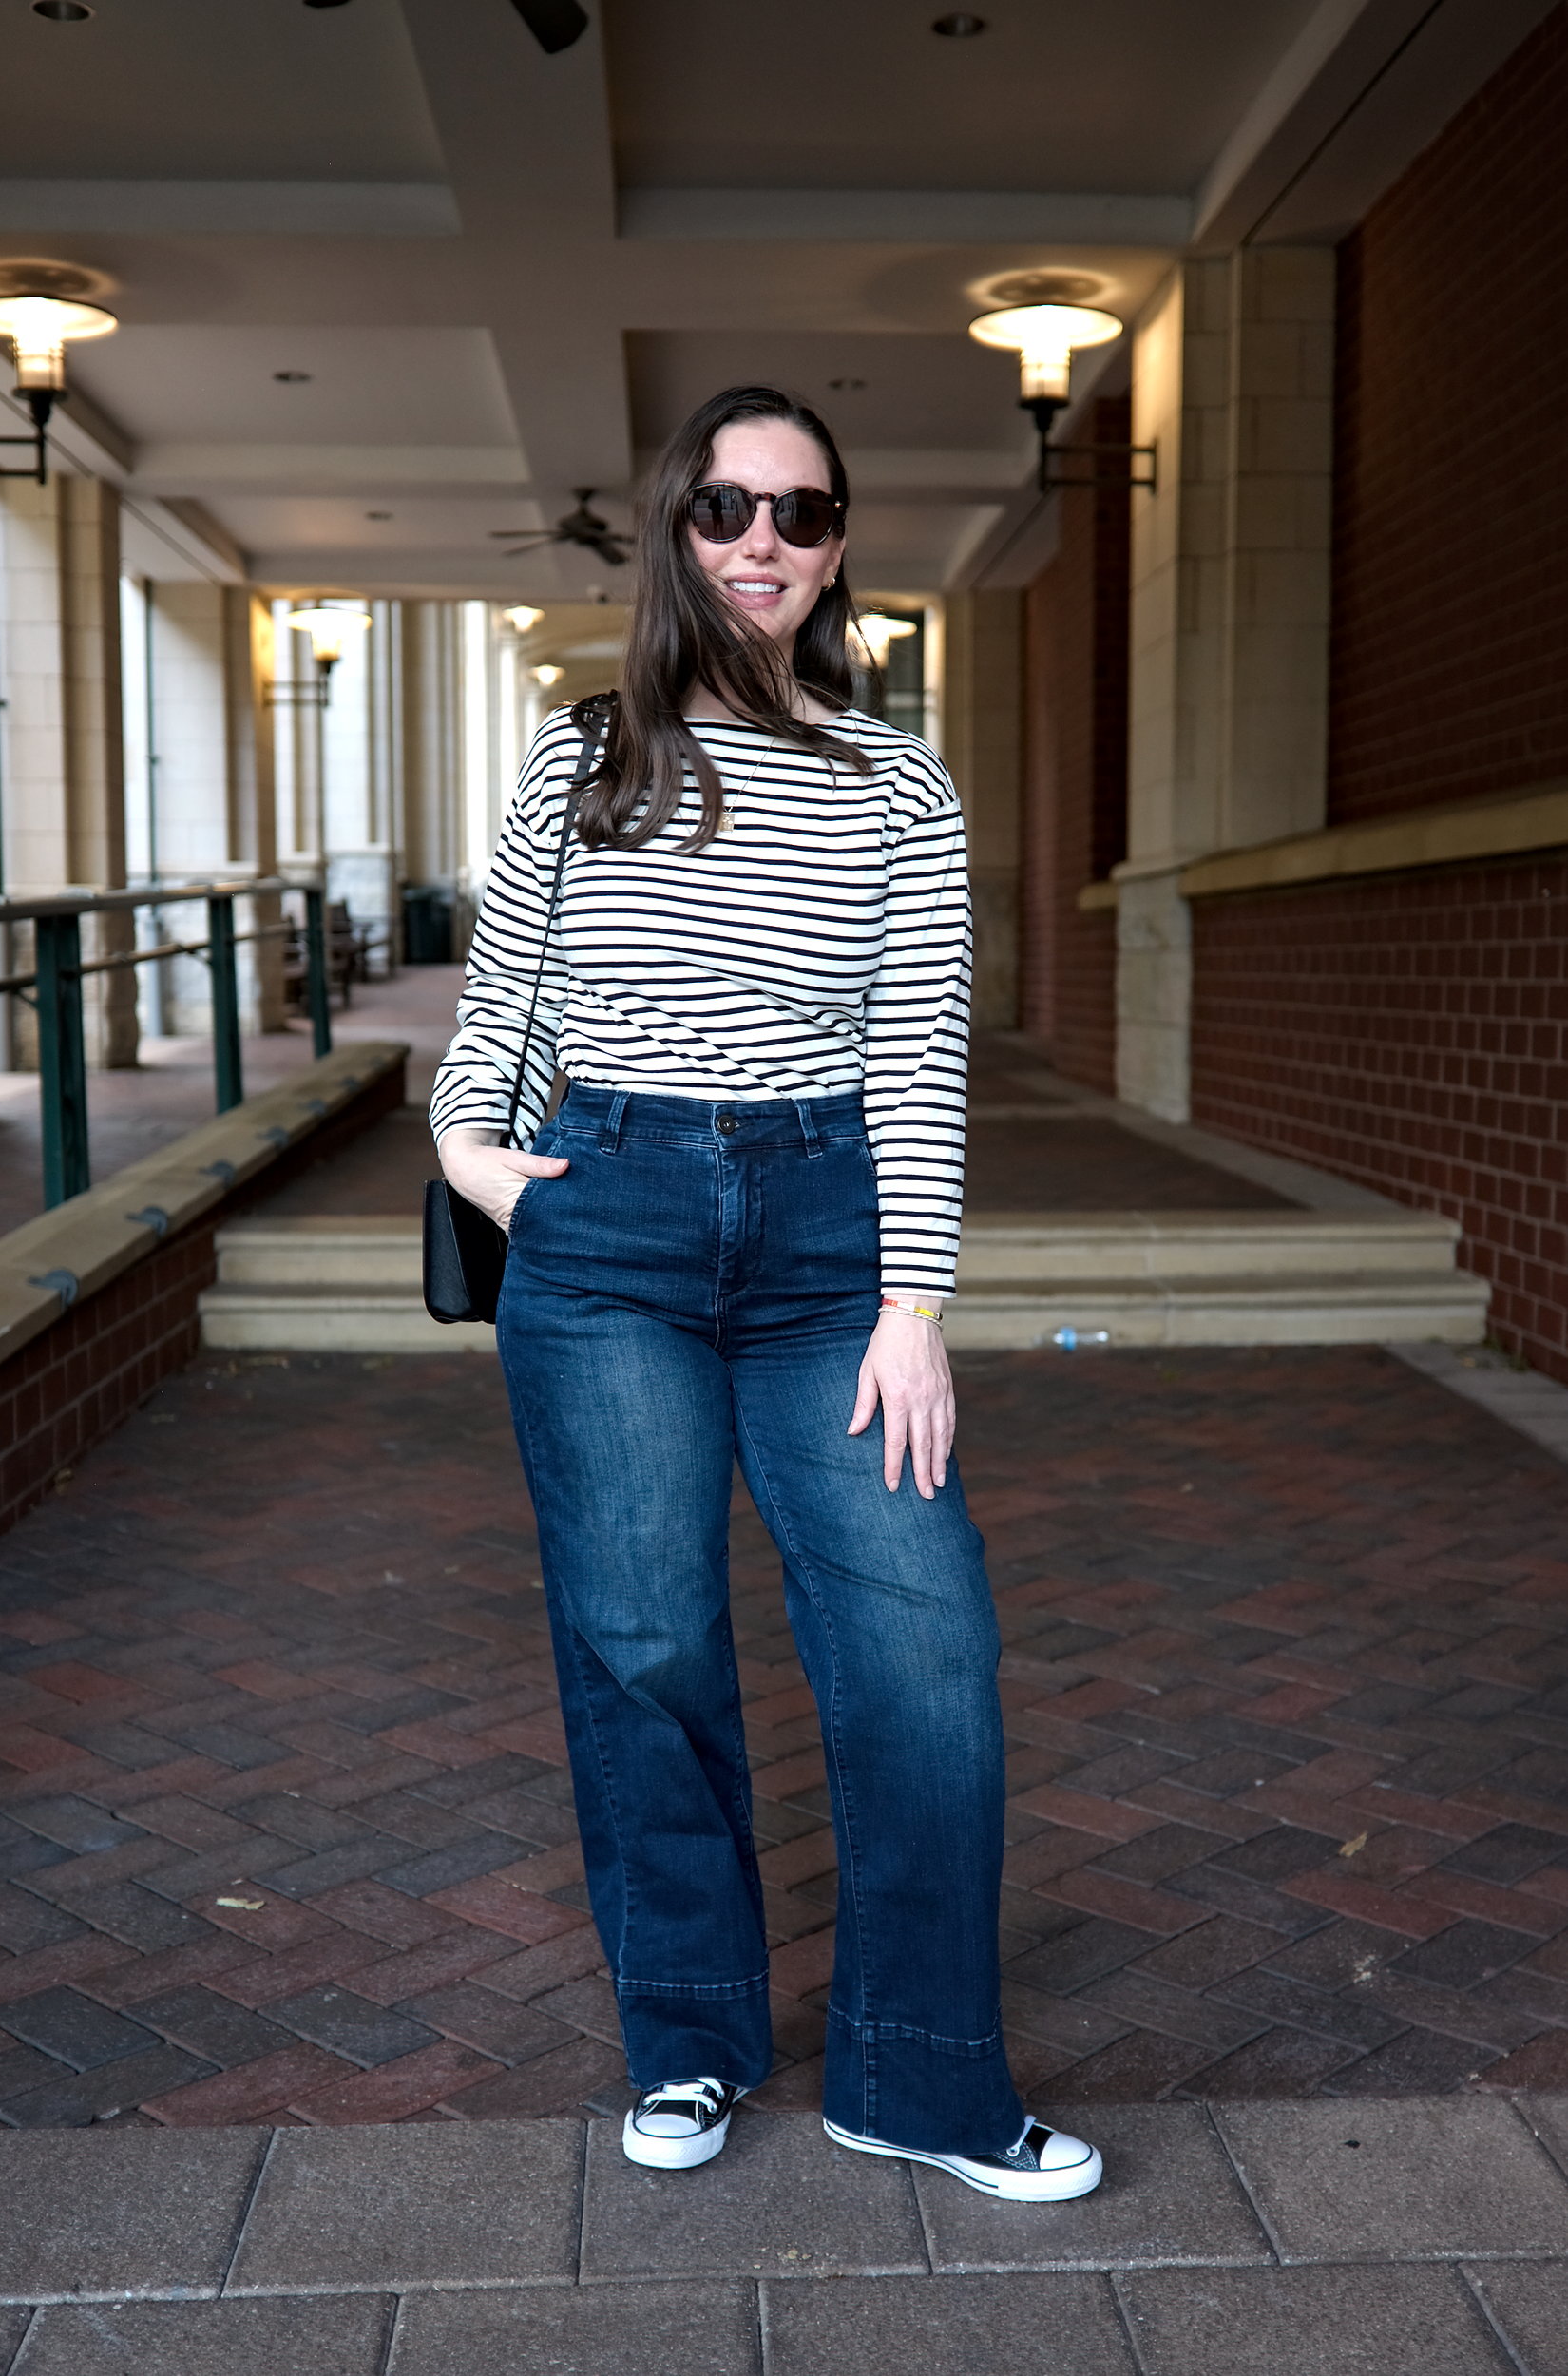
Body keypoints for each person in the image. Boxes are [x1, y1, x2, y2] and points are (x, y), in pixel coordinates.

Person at [430, 384, 1102, 2204]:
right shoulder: (581, 756)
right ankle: (693, 2039)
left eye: (800, 516)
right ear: (675, 526)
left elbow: (914, 1056)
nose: (761, 543)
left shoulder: (895, 778)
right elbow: (494, 1020)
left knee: (922, 1647)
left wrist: (912, 1303)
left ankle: (922, 2076)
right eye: (728, 506)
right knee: (645, 1647)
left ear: (833, 550)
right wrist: (493, 1170)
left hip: (824, 1245)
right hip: (612, 1227)